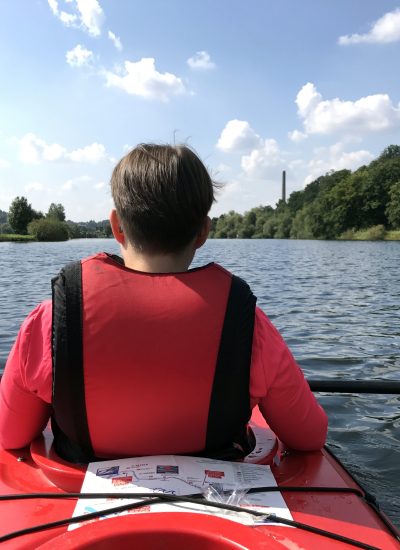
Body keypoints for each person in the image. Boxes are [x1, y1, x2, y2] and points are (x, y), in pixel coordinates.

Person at [0, 144, 327, 462]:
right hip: (219, 498)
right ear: (203, 232)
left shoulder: (52, 321)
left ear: (117, 226)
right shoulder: (247, 324)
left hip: (78, 492)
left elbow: (9, 435)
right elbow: (309, 437)